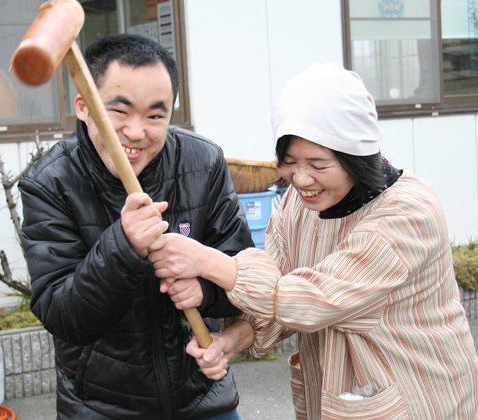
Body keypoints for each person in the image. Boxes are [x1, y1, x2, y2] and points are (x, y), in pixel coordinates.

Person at [149, 63, 478, 419]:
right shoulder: (301, 199)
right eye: (289, 162)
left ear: (356, 158)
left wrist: (211, 263)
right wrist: (235, 338)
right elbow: (278, 280)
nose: (301, 178)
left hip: (419, 396)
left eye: (319, 165)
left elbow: (315, 298)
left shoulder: (408, 213)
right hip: (339, 393)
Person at [18, 34, 253, 420]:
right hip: (100, 407)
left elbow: (244, 275)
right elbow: (63, 316)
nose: (136, 132)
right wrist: (122, 246)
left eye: (155, 115)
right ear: (84, 106)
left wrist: (205, 285)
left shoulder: (202, 161)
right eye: (120, 112)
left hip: (203, 398)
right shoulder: (49, 182)